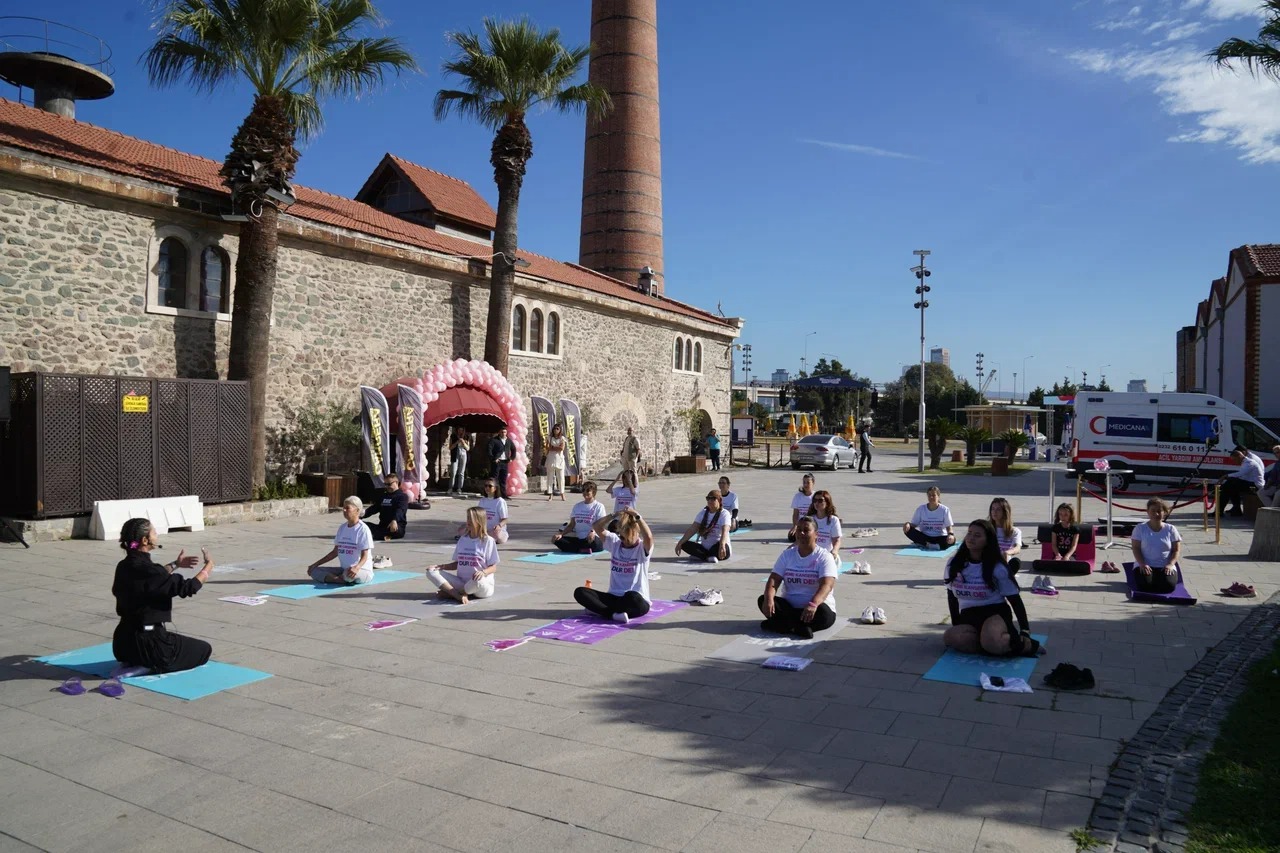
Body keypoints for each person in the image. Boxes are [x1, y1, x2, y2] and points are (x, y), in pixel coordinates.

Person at [111, 518, 214, 674]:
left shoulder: (124, 566)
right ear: (145, 540)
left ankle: (135, 661)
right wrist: (208, 567)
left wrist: (175, 564)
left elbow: (153, 580)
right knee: (204, 650)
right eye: (154, 532)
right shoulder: (151, 571)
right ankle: (147, 663)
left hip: (123, 644)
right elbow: (188, 588)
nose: (156, 535)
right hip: (150, 644)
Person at [942, 519, 1039, 657]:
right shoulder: (953, 564)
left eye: (977, 535)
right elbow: (951, 596)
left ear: (988, 540)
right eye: (969, 533)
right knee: (950, 638)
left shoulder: (997, 567)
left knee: (992, 641)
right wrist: (956, 624)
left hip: (995, 613)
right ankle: (994, 645)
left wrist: (1025, 630)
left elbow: (1015, 600)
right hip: (969, 615)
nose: (971, 538)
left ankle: (1027, 645)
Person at [759, 516, 838, 639]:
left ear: (816, 534)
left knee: (825, 614)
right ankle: (797, 628)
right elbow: (774, 579)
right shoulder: (787, 554)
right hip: (790, 608)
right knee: (763, 600)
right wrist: (769, 598)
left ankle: (783, 625)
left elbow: (827, 585)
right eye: (799, 529)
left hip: (814, 608)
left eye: (806, 530)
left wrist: (813, 604)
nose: (801, 533)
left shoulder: (824, 557)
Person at [573, 509, 655, 623]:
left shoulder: (642, 548)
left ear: (636, 533)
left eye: (627, 538)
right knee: (580, 592)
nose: (624, 541)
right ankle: (612, 614)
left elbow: (649, 537)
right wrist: (614, 515)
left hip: (636, 600)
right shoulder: (615, 543)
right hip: (614, 597)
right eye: (621, 537)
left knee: (632, 597)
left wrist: (637, 515)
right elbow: (596, 526)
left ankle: (600, 610)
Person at [426, 507, 498, 604]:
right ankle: (456, 594)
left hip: (481, 585)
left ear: (479, 521)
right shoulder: (463, 539)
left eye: (471, 518)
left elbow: (493, 567)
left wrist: (483, 572)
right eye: (467, 518)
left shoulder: (488, 541)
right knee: (431, 571)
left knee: (478, 580)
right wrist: (441, 567)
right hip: (462, 583)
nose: (468, 521)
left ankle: (455, 593)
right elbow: (458, 564)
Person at [308, 496, 374, 585]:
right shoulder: (342, 528)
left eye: (347, 508)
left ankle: (339, 578)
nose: (344, 510)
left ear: (357, 510)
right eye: (343, 508)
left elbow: (364, 556)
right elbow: (335, 552)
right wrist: (315, 564)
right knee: (314, 571)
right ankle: (338, 580)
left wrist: (357, 568)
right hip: (344, 570)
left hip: (361, 571)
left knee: (348, 575)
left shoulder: (363, 529)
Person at [1131, 498, 1182, 594]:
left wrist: (1170, 564)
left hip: (1165, 565)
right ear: (1148, 512)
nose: (1156, 514)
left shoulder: (1171, 529)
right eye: (1153, 511)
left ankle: (1160, 577)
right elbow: (1136, 548)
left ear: (1164, 512)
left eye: (1159, 511)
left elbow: (1176, 550)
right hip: (1145, 564)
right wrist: (1142, 563)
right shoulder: (1140, 528)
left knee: (1169, 587)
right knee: (1144, 586)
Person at [676, 490, 732, 563]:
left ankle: (702, 556)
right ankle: (707, 556)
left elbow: (725, 531)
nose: (710, 501)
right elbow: (693, 529)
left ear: (719, 500)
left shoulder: (724, 514)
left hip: (719, 546)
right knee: (684, 544)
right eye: (708, 498)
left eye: (713, 499)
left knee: (718, 548)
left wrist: (722, 545)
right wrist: (680, 543)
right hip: (704, 548)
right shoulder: (703, 512)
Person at [553, 481, 607, 553]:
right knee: (556, 539)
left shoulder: (599, 506)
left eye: (588, 491)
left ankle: (578, 549)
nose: (585, 492)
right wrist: (560, 534)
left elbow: (601, 523)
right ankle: (581, 550)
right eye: (583, 490)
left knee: (595, 543)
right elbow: (571, 525)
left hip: (593, 538)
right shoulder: (577, 506)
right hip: (580, 539)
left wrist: (593, 532)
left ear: (594, 492)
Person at [362, 472, 408, 541]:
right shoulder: (384, 496)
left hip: (395, 526)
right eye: (385, 484)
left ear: (396, 483)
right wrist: (360, 515)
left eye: (389, 484)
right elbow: (374, 508)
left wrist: (394, 520)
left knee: (393, 531)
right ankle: (377, 535)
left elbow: (400, 510)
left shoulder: (402, 497)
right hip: (382, 526)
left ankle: (376, 535)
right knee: (361, 525)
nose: (387, 487)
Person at [1219, 446, 1264, 516]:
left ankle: (1219, 511)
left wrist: (1225, 476)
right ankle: (1235, 509)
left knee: (1229, 485)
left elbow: (1240, 474)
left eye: (1234, 460)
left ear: (1239, 456)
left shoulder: (1249, 462)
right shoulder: (1245, 462)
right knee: (1231, 485)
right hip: (1249, 482)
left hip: (1255, 485)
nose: (1234, 462)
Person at [987, 497, 1022, 575]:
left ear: (1005, 512)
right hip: (988, 561)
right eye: (992, 509)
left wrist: (1007, 552)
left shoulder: (1015, 531)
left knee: (1016, 562)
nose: (994, 512)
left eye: (998, 509)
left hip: (1004, 562)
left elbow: (1017, 548)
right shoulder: (986, 528)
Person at [808, 489, 843, 562]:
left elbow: (836, 540)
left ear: (827, 502)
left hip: (826, 555)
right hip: (811, 555)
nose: (817, 503)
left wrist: (834, 551)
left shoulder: (833, 520)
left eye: (820, 500)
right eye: (815, 500)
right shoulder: (810, 519)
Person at [477, 479, 510, 544]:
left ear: (495, 488)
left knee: (497, 536)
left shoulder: (500, 501)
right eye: (486, 486)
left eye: (490, 486)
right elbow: (478, 516)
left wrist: (499, 526)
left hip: (496, 531)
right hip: (484, 530)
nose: (487, 488)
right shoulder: (482, 500)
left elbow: (505, 519)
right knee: (463, 529)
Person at [487, 426, 516, 498]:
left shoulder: (508, 440)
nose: (503, 434)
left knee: (503, 480)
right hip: (497, 462)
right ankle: (493, 494)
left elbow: (514, 449)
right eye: (502, 432)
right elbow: (489, 450)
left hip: (505, 462)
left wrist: (512, 458)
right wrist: (493, 458)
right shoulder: (494, 440)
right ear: (499, 432)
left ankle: (504, 495)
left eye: (505, 432)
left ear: (506, 433)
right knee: (494, 479)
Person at [788, 474, 817, 542]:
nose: (806, 485)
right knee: (791, 537)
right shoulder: (797, 496)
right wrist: (795, 526)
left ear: (813, 483)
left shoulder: (815, 496)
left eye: (808, 482)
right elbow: (795, 513)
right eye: (804, 482)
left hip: (812, 523)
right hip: (801, 524)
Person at [543, 423, 568, 501]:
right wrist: (554, 448)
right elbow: (547, 447)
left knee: (560, 477)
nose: (555, 430)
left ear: (560, 430)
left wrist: (552, 447)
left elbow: (561, 448)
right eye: (554, 429)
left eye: (557, 429)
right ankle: (550, 494)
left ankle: (562, 494)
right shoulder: (550, 438)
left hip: (559, 459)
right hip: (551, 458)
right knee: (550, 477)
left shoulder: (562, 438)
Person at [448, 427, 471, 495]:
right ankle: (450, 488)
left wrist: (463, 443)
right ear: (457, 430)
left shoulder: (466, 437)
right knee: (453, 472)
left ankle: (459, 488)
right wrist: (457, 442)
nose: (460, 432)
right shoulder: (453, 436)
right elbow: (450, 447)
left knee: (461, 472)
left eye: (462, 430)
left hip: (463, 454)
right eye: (459, 430)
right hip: (455, 454)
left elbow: (468, 448)